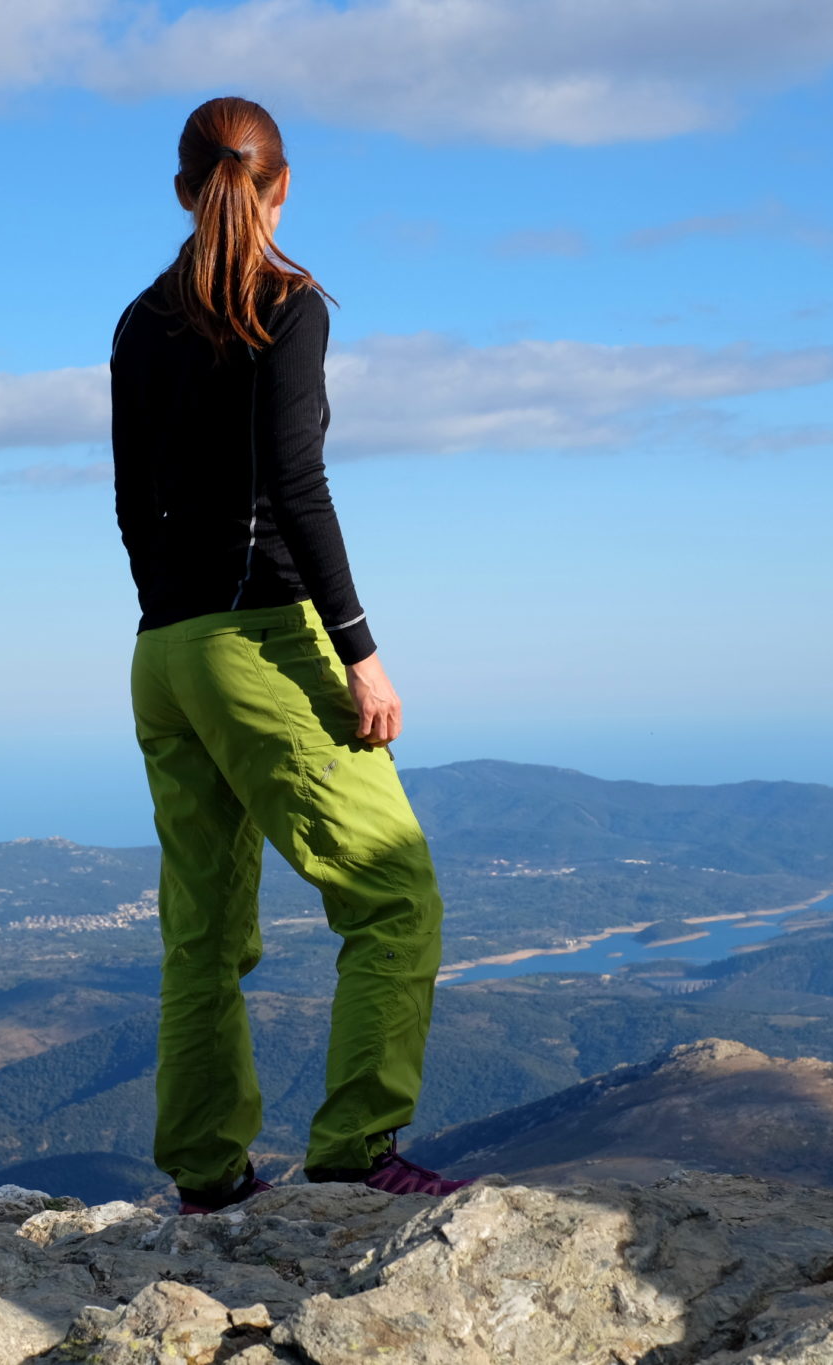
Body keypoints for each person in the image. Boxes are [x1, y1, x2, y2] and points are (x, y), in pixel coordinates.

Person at [109, 95, 474, 1215]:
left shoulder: (137, 319)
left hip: (162, 651)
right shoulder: (287, 304)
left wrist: (174, 622)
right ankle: (358, 1152)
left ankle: (208, 1176)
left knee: (203, 936)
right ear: (280, 186)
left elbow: (131, 504)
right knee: (392, 897)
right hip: (261, 639)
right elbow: (297, 488)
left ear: (183, 190)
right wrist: (359, 655)